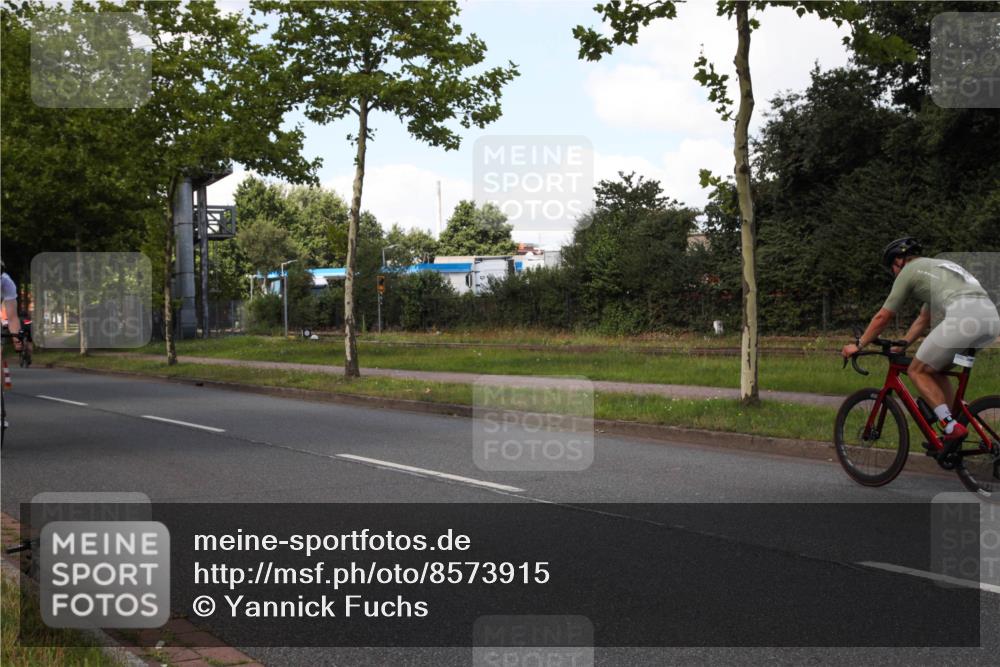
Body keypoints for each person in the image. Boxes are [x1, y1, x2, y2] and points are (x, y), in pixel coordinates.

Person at [841, 237, 1000, 450]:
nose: (894, 273)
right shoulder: (935, 269)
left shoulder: (909, 271)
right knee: (935, 369)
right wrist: (903, 344)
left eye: (892, 268)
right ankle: (957, 423)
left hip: (964, 316)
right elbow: (924, 319)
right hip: (990, 320)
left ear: (899, 261)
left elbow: (883, 316)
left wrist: (859, 344)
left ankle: (950, 426)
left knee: (917, 370)